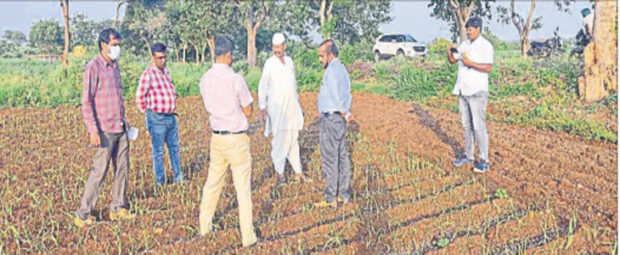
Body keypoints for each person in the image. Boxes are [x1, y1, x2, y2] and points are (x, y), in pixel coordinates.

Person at [198, 36, 258, 247]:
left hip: (217, 138)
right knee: (242, 189)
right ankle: (247, 237)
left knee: (212, 184)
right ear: (229, 54)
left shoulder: (205, 79)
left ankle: (204, 228)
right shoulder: (236, 79)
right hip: (236, 138)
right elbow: (249, 110)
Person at [75, 28, 135, 227]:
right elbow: (86, 101)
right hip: (104, 129)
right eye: (114, 44)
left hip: (120, 126)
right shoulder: (93, 67)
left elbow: (118, 97)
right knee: (99, 171)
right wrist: (92, 129)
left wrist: (125, 122)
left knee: (123, 169)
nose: (117, 48)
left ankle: (118, 207)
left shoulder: (115, 66)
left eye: (118, 44)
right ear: (103, 44)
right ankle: (83, 214)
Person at [258, 32, 310, 186]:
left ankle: (298, 173)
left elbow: (293, 87)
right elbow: (263, 86)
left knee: (294, 140)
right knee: (280, 141)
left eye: (279, 46)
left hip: (292, 108)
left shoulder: (289, 62)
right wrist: (262, 107)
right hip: (277, 110)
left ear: (284, 46)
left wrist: (299, 106)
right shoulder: (269, 63)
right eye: (274, 47)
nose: (277, 50)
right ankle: (280, 175)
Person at [447, 17, 494, 173]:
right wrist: (450, 54)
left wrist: (470, 63)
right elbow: (454, 60)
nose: (468, 32)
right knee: (467, 126)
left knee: (479, 126)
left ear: (478, 29)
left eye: (471, 29)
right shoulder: (464, 44)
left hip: (477, 91)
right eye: (467, 29)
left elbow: (488, 67)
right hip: (463, 90)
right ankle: (468, 156)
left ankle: (484, 160)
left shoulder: (486, 46)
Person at [136, 42, 184, 186]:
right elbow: (139, 96)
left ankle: (178, 177)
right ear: (152, 57)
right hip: (157, 117)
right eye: (158, 58)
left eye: (164, 57)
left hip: (171, 117)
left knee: (174, 148)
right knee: (158, 152)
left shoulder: (166, 71)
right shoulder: (148, 74)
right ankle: (160, 181)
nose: (162, 61)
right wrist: (149, 113)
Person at [314, 39, 353, 209]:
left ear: (330, 55)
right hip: (339, 120)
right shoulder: (342, 69)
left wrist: (345, 112)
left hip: (332, 119)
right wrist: (345, 113)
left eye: (322, 56)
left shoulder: (332, 71)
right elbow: (347, 94)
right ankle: (344, 195)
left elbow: (337, 95)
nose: (320, 60)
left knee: (330, 160)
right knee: (342, 157)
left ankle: (331, 198)